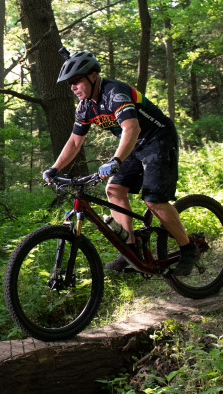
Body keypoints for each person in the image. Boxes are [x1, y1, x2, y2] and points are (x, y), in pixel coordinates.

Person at [41, 50, 197, 276]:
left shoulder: (115, 92)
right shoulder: (85, 107)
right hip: (134, 143)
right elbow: (75, 141)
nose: (73, 87)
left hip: (158, 138)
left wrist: (115, 160)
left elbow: (131, 127)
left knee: (154, 199)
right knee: (114, 189)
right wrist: (54, 168)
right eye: (69, 84)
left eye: (76, 81)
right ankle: (130, 249)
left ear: (93, 76)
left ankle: (187, 248)